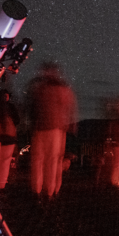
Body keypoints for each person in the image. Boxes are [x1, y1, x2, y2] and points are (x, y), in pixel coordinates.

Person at [25, 62, 78, 201]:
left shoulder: (48, 87)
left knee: (48, 160)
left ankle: (47, 191)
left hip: (53, 128)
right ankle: (42, 191)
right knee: (45, 160)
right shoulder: (43, 87)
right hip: (47, 128)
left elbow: (69, 106)